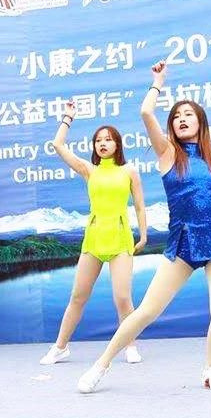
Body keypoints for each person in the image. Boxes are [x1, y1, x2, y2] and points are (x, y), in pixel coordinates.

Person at [77, 61, 211, 393]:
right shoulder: (168, 153)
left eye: (188, 114)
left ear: (201, 122)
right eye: (176, 116)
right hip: (182, 243)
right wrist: (158, 82)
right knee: (146, 311)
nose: (182, 119)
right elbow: (145, 113)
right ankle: (101, 364)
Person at [39, 102, 148, 366]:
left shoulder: (129, 171)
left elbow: (139, 205)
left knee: (123, 298)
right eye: (98, 140)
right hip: (94, 239)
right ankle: (60, 347)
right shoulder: (90, 170)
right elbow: (58, 145)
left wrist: (143, 235)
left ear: (117, 144)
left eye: (108, 139)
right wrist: (68, 117)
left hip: (120, 240)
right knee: (78, 296)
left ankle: (130, 345)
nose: (103, 144)